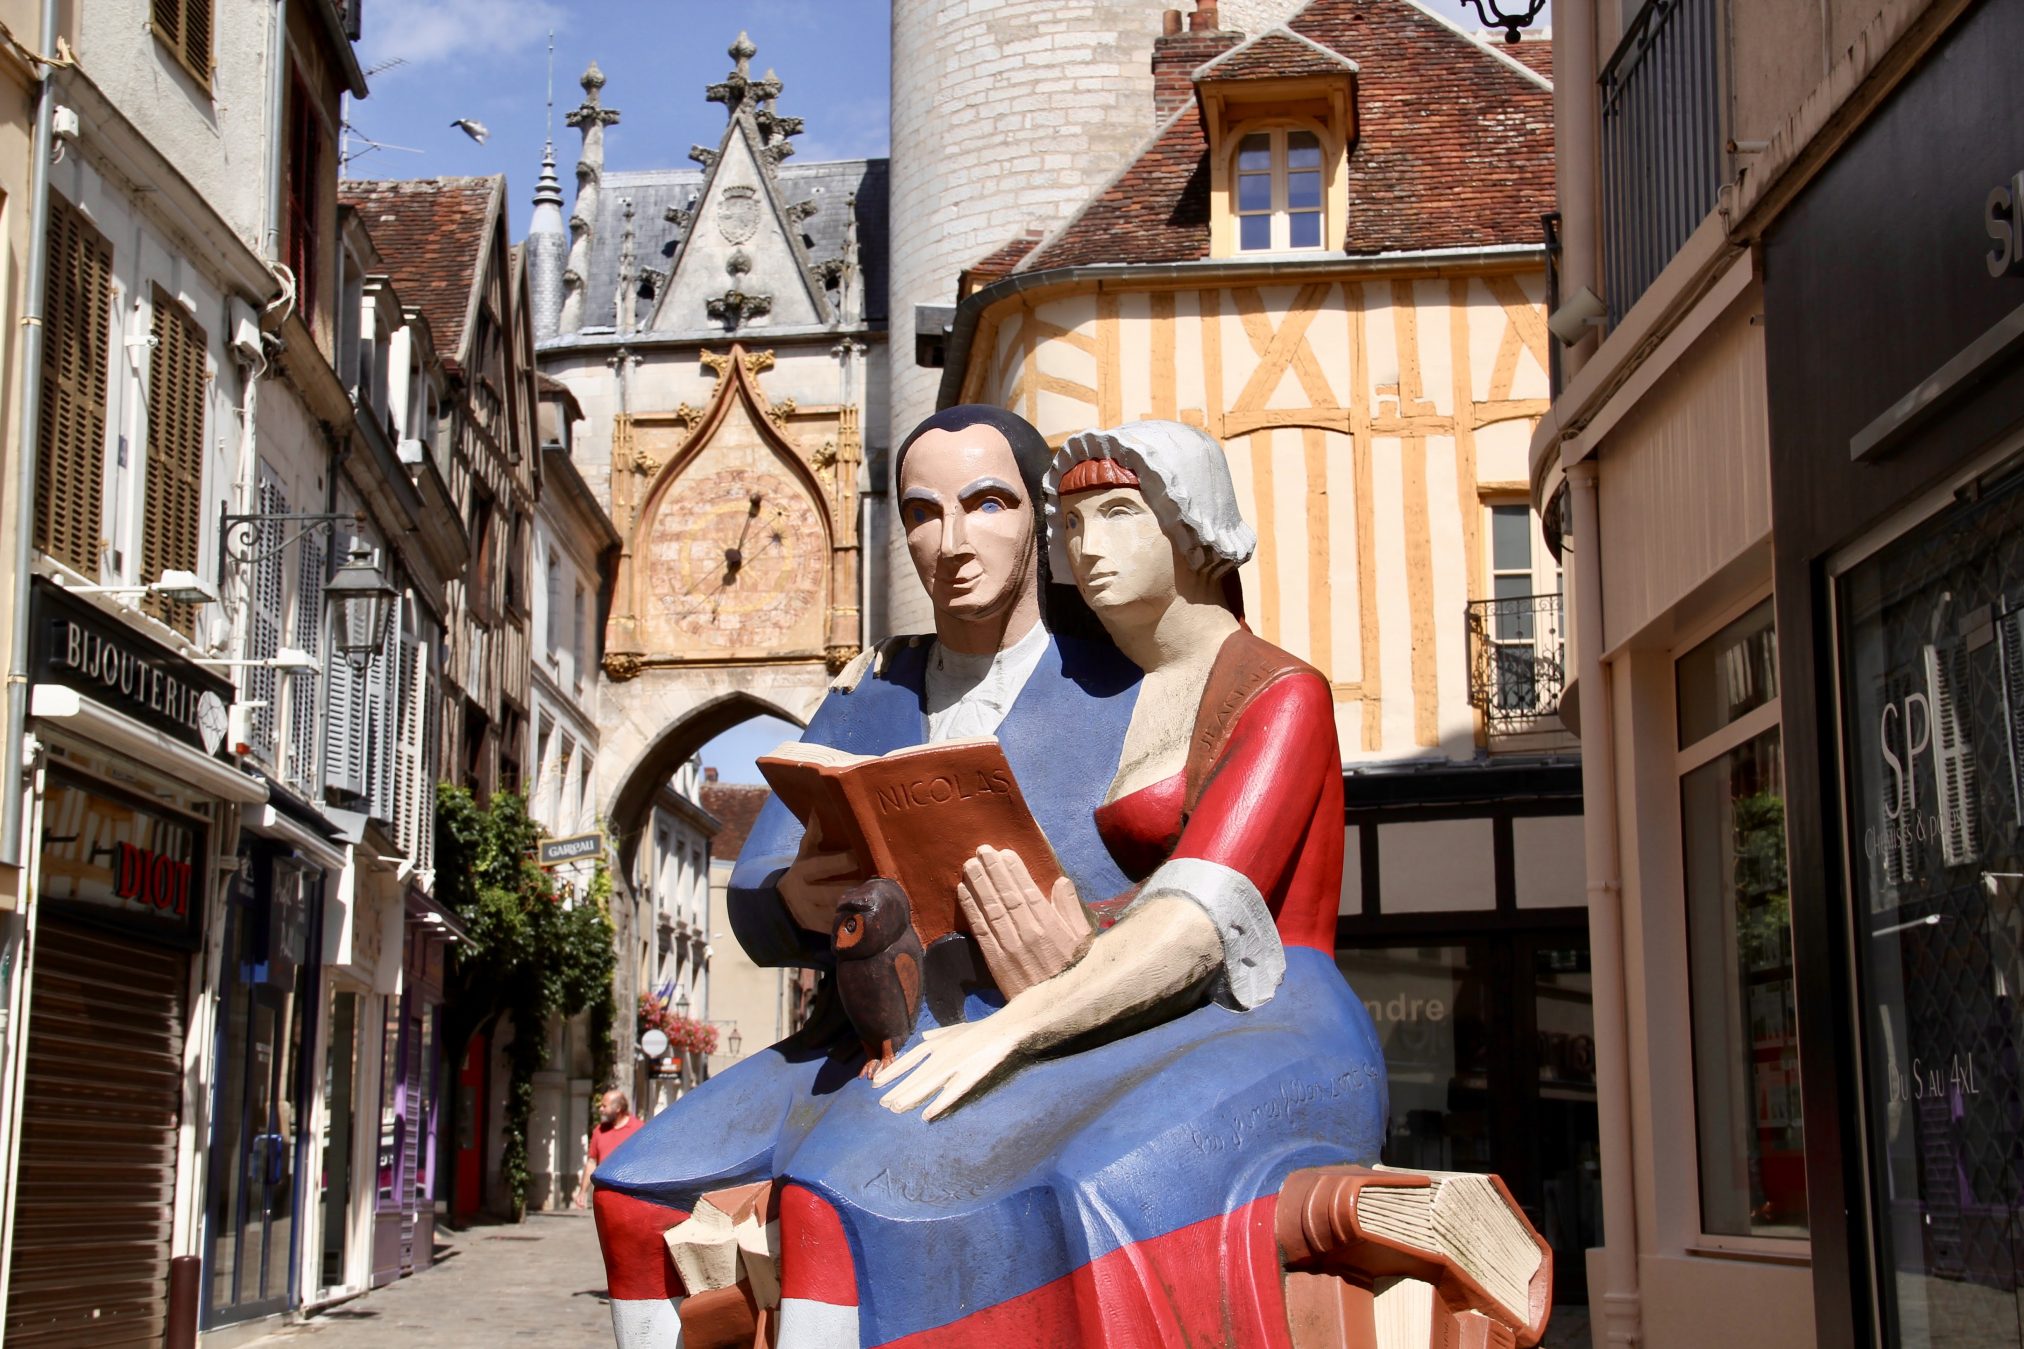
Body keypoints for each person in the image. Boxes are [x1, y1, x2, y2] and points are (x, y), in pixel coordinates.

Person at [658, 420, 1387, 1347]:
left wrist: (1015, 1023)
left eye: (1120, 515)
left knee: (1085, 1175)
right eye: (1074, 522)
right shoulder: (1128, 678)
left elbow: (1195, 920)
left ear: (1195, 526)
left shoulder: (1274, 691)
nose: (1088, 547)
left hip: (1264, 1015)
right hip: (1121, 1003)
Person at [591, 407, 1141, 1347]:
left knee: (831, 1203)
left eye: (988, 503)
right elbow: (758, 883)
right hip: (858, 1046)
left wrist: (1092, 944)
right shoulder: (870, 691)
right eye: (923, 513)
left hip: (1024, 1044)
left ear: (1040, 517)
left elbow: (1183, 887)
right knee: (632, 1190)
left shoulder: (1116, 680)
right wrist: (790, 899)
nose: (953, 542)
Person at [573, 1090, 643, 1210]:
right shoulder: (599, 1131)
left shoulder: (638, 1129)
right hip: (604, 1197)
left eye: (604, 1106)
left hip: (630, 1198)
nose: (600, 1109)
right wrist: (582, 1192)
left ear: (618, 1108)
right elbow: (592, 1162)